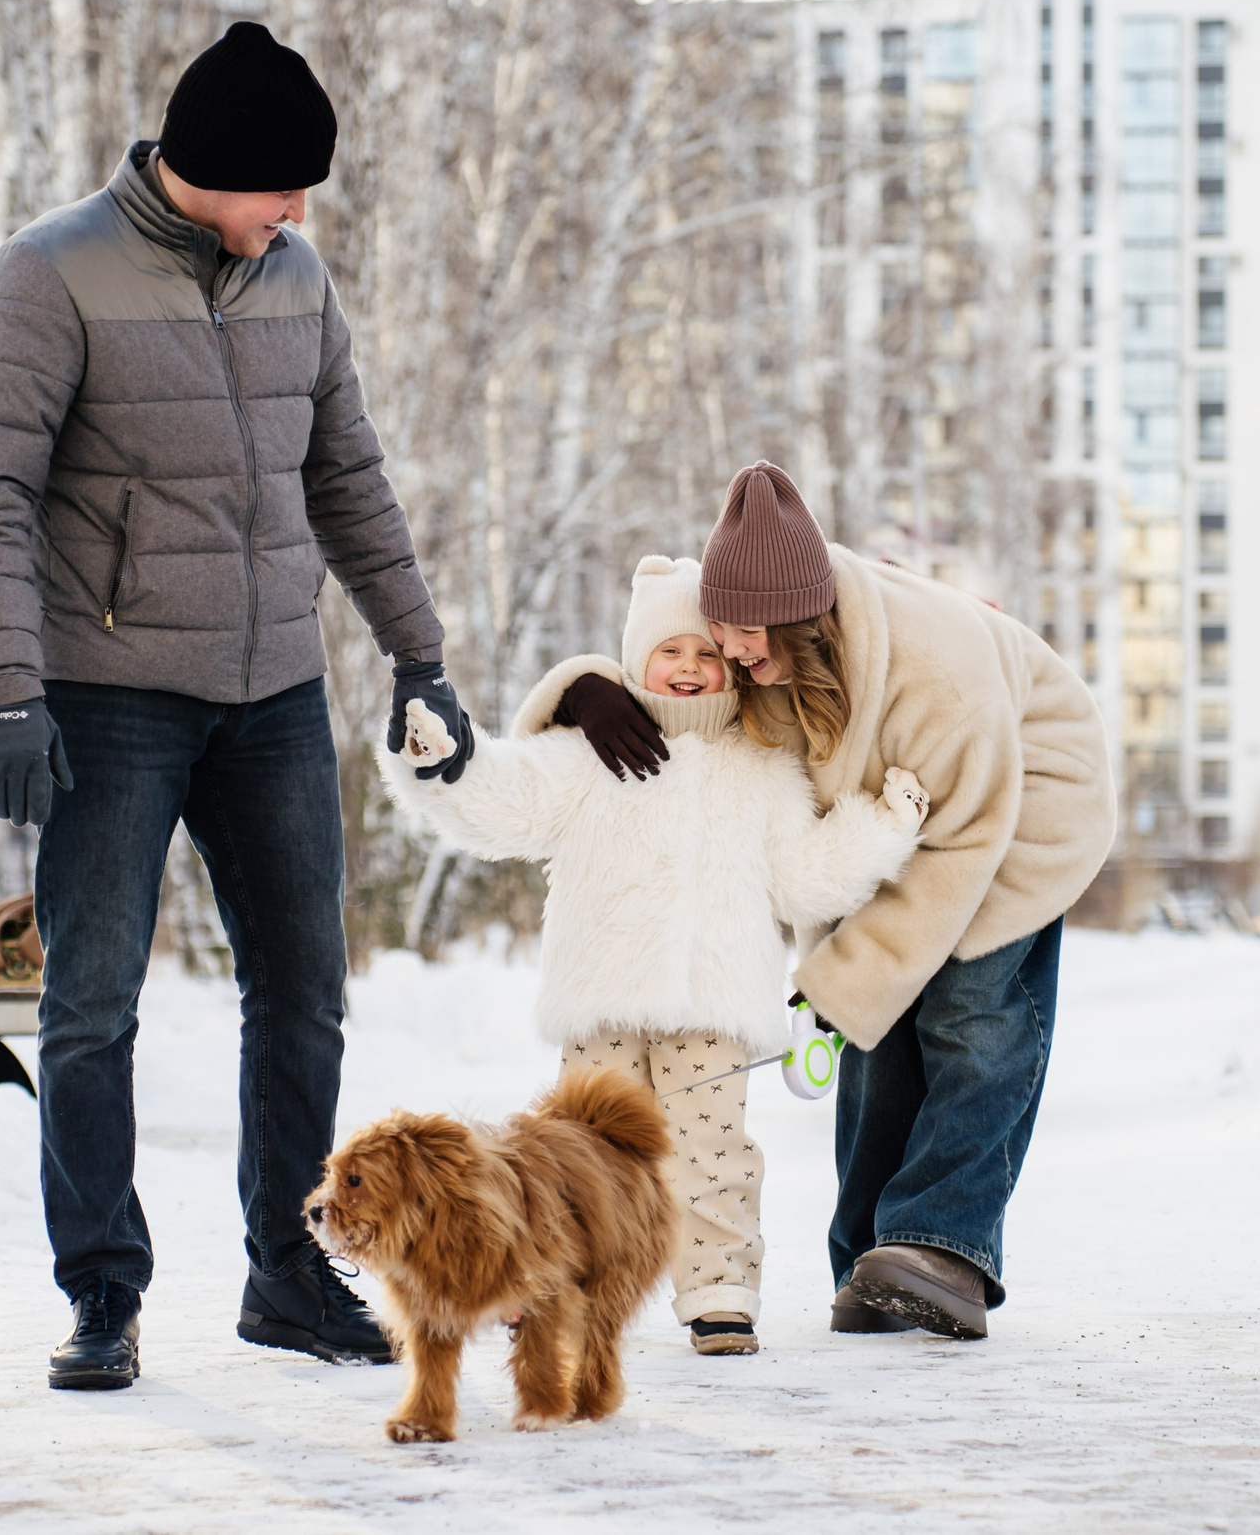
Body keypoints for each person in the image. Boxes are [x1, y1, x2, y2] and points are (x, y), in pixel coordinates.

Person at [0, 21, 474, 1391]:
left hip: (275, 689)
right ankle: (103, 1292)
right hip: (108, 697)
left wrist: (419, 655)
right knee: (91, 1003)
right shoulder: (53, 272)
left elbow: (346, 473)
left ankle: (289, 1274)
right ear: (206, 166)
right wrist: (7, 687)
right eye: (279, 190)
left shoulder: (295, 276)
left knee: (304, 992)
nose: (295, 216)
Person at [542, 463, 1115, 1340]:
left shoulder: (939, 675)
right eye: (717, 629)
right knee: (872, 1032)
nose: (727, 648)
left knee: (972, 1015)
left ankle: (944, 1246)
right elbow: (682, 720)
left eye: (738, 632)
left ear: (798, 616)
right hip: (897, 809)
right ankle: (871, 1263)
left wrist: (842, 973)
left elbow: (964, 845)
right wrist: (581, 689)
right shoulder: (767, 648)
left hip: (1020, 803)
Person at [379, 557, 928, 1355]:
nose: (689, 669)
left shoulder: (764, 768)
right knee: (581, 1157)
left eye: (707, 655)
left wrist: (881, 827)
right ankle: (557, 1290)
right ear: (638, 655)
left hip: (715, 1003)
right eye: (671, 651)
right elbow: (504, 801)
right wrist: (445, 759)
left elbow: (804, 879)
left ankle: (720, 1293)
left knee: (713, 1153)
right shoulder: (584, 753)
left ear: (733, 667)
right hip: (602, 995)